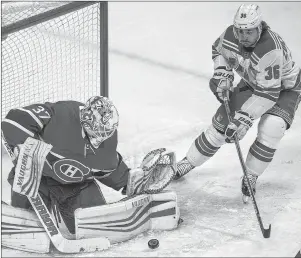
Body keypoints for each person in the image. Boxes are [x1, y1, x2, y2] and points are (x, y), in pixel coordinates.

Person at [1, 96, 178, 241]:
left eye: (105, 134)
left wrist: (131, 182)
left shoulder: (107, 137)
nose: (100, 139)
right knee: (26, 228)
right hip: (37, 178)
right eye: (96, 133)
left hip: (76, 186)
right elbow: (13, 121)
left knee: (96, 228)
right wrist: (24, 146)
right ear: (85, 120)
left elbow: (107, 167)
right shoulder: (61, 113)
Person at [174, 3, 301, 202]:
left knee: (272, 127)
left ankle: (251, 174)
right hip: (253, 83)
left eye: (249, 32)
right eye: (240, 31)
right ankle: (188, 162)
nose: (243, 37)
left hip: (284, 89)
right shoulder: (230, 35)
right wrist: (222, 75)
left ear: (260, 28)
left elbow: (268, 93)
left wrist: (243, 119)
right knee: (221, 128)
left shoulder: (270, 49)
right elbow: (219, 51)